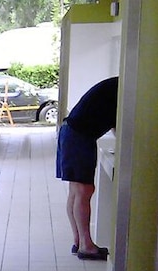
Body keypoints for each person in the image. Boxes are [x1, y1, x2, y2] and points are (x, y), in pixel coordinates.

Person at [56, 76, 119, 260]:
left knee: (76, 191)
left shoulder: (114, 86)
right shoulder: (122, 90)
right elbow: (119, 126)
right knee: (84, 190)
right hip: (79, 136)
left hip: (71, 132)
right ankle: (86, 246)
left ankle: (79, 241)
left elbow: (115, 123)